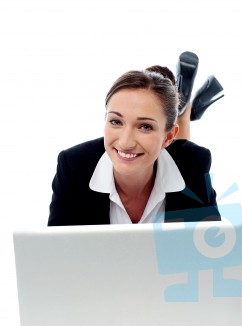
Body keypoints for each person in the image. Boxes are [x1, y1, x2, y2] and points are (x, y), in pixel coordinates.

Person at [48, 56, 222, 226]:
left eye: (145, 126)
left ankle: (184, 107)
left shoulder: (194, 163)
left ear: (169, 137)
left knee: (181, 154)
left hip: (177, 152)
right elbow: (55, 250)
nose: (125, 143)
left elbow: (209, 250)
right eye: (116, 121)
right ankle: (185, 108)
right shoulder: (73, 166)